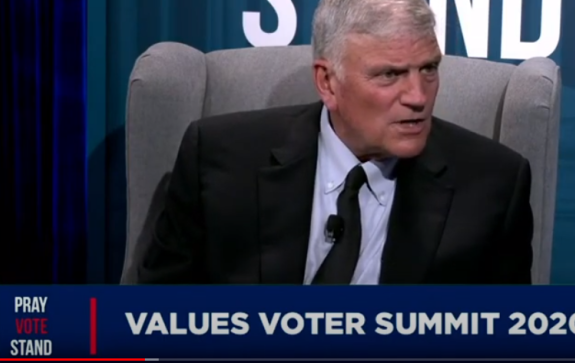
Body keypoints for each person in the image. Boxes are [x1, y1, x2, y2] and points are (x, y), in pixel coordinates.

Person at [136, 0, 533, 285]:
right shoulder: (219, 158)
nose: (418, 95)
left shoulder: (493, 183)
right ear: (328, 82)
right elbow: (158, 316)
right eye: (390, 75)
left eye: (428, 68)